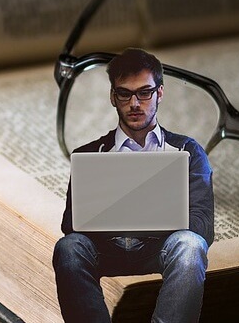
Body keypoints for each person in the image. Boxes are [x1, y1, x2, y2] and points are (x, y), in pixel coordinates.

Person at [53, 48, 215, 323]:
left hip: (161, 246)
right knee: (69, 248)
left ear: (160, 93)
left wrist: (149, 216)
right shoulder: (91, 154)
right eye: (125, 94)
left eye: (145, 92)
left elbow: (203, 225)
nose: (135, 103)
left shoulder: (187, 150)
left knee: (191, 245)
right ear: (113, 98)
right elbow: (71, 225)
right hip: (108, 247)